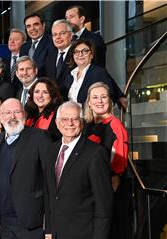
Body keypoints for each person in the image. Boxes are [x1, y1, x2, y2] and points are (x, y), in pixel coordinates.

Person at [44, 101, 113, 239]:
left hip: (84, 233)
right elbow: (50, 194)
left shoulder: (95, 153)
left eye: (75, 119)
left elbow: (104, 204)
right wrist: (49, 231)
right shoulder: (51, 150)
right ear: (57, 123)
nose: (69, 123)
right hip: (57, 233)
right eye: (64, 119)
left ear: (82, 123)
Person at [0, 98, 51, 239]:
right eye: (7, 113)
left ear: (24, 114)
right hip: (4, 222)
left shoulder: (40, 137)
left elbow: (50, 180)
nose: (12, 117)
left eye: (17, 112)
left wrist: (49, 222)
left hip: (31, 222)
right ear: (0, 116)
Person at [84, 82, 129, 239]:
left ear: (110, 101)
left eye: (104, 97)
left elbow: (117, 172)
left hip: (108, 199)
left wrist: (104, 204)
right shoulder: (89, 126)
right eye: (95, 97)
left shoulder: (115, 125)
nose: (99, 101)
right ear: (89, 102)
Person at [65, 5, 128, 111]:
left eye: (71, 17)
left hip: (88, 101)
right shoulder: (67, 40)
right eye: (66, 18)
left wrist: (118, 95)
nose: (68, 20)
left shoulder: (94, 39)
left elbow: (100, 70)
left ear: (82, 19)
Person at [60, 39, 120, 104]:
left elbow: (109, 98)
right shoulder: (70, 76)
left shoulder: (99, 73)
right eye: (76, 52)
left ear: (91, 55)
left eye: (85, 51)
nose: (80, 54)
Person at [43, 19, 73, 87]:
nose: (58, 37)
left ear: (71, 35)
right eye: (55, 34)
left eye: (62, 33)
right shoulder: (49, 58)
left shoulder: (77, 54)